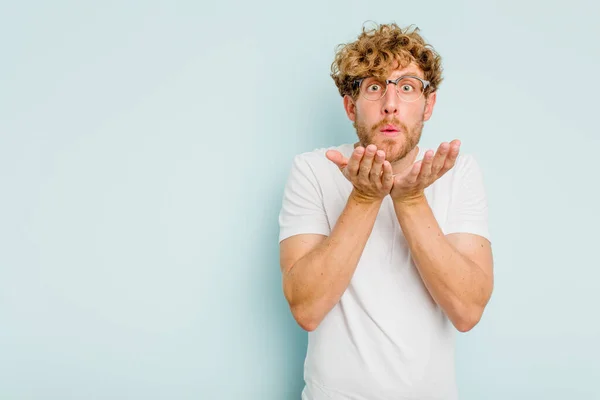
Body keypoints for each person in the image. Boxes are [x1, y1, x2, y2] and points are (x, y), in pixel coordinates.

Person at [277, 22, 494, 400]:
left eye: (407, 87)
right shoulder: (313, 169)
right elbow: (306, 308)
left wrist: (410, 201)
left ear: (428, 105)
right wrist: (363, 198)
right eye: (374, 86)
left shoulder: (459, 173)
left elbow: (468, 310)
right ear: (350, 105)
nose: (390, 104)